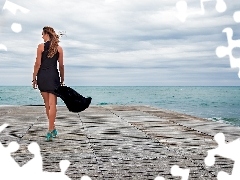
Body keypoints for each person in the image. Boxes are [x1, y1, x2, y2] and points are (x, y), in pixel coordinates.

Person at [32, 26, 64, 141]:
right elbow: (61, 66)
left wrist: (34, 77)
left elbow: (37, 64)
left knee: (47, 104)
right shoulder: (59, 48)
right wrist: (62, 78)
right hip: (53, 77)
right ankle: (51, 129)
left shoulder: (40, 47)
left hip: (43, 77)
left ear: (47, 34)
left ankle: (52, 129)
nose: (41, 36)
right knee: (52, 105)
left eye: (42, 34)